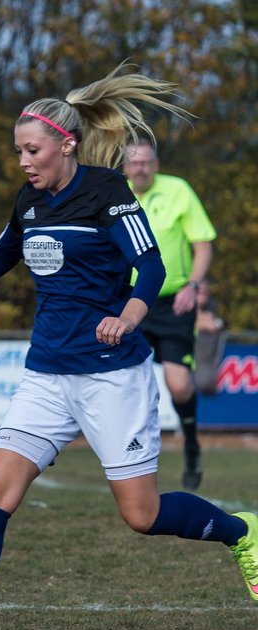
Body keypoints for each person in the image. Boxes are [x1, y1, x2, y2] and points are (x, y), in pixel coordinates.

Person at [0, 66, 258, 630]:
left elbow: (151, 266)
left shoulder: (106, 192)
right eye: (18, 151)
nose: (24, 161)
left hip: (112, 375)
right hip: (47, 374)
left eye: (32, 150)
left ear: (66, 144)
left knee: (142, 514)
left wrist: (129, 317)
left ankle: (242, 531)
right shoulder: (29, 200)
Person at [123, 139, 216, 489]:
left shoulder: (178, 190)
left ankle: (191, 445)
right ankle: (132, 458)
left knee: (178, 384)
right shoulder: (116, 195)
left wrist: (193, 285)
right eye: (134, 163)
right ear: (125, 167)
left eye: (146, 162)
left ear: (156, 163)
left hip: (174, 303)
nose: (140, 168)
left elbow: (202, 243)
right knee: (129, 384)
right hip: (131, 302)